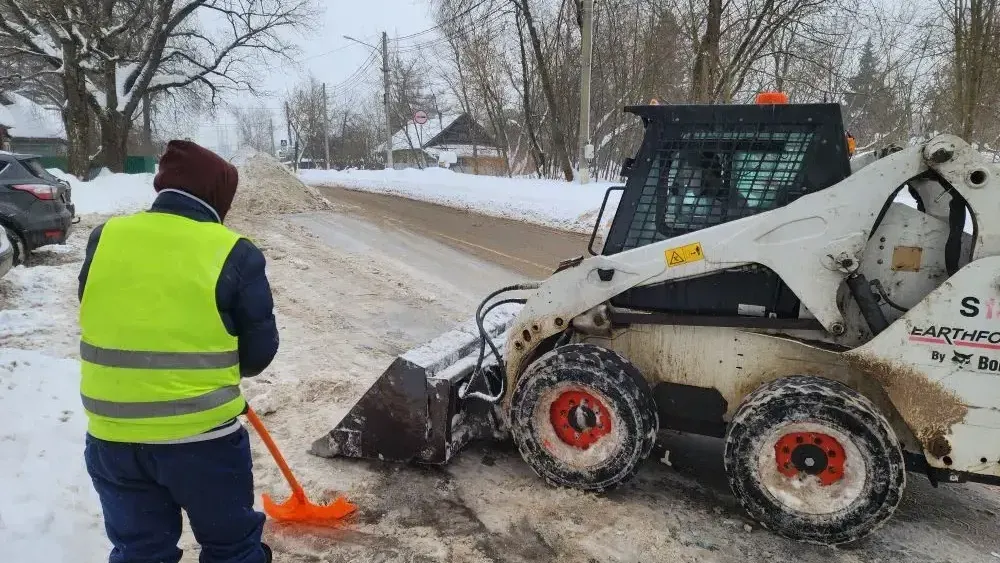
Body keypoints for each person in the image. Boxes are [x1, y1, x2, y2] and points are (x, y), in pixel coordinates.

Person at [77, 140, 279, 563]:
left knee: (140, 551)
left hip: (112, 440)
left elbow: (97, 309)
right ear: (217, 196)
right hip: (201, 441)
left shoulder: (105, 237)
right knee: (231, 549)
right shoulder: (232, 251)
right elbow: (258, 354)